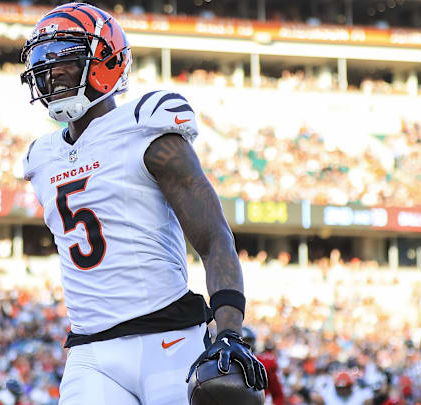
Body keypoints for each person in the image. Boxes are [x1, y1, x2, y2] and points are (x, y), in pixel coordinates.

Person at [19, 3, 267, 404]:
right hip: (91, 350)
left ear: (105, 60)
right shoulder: (40, 158)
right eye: (44, 60)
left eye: (66, 57)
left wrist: (228, 333)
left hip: (168, 340)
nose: (52, 70)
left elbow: (213, 237)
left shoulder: (147, 125)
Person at [242, 327, 285, 405]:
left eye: (247, 341)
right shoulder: (222, 363)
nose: (244, 345)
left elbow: (278, 394)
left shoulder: (265, 363)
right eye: (242, 341)